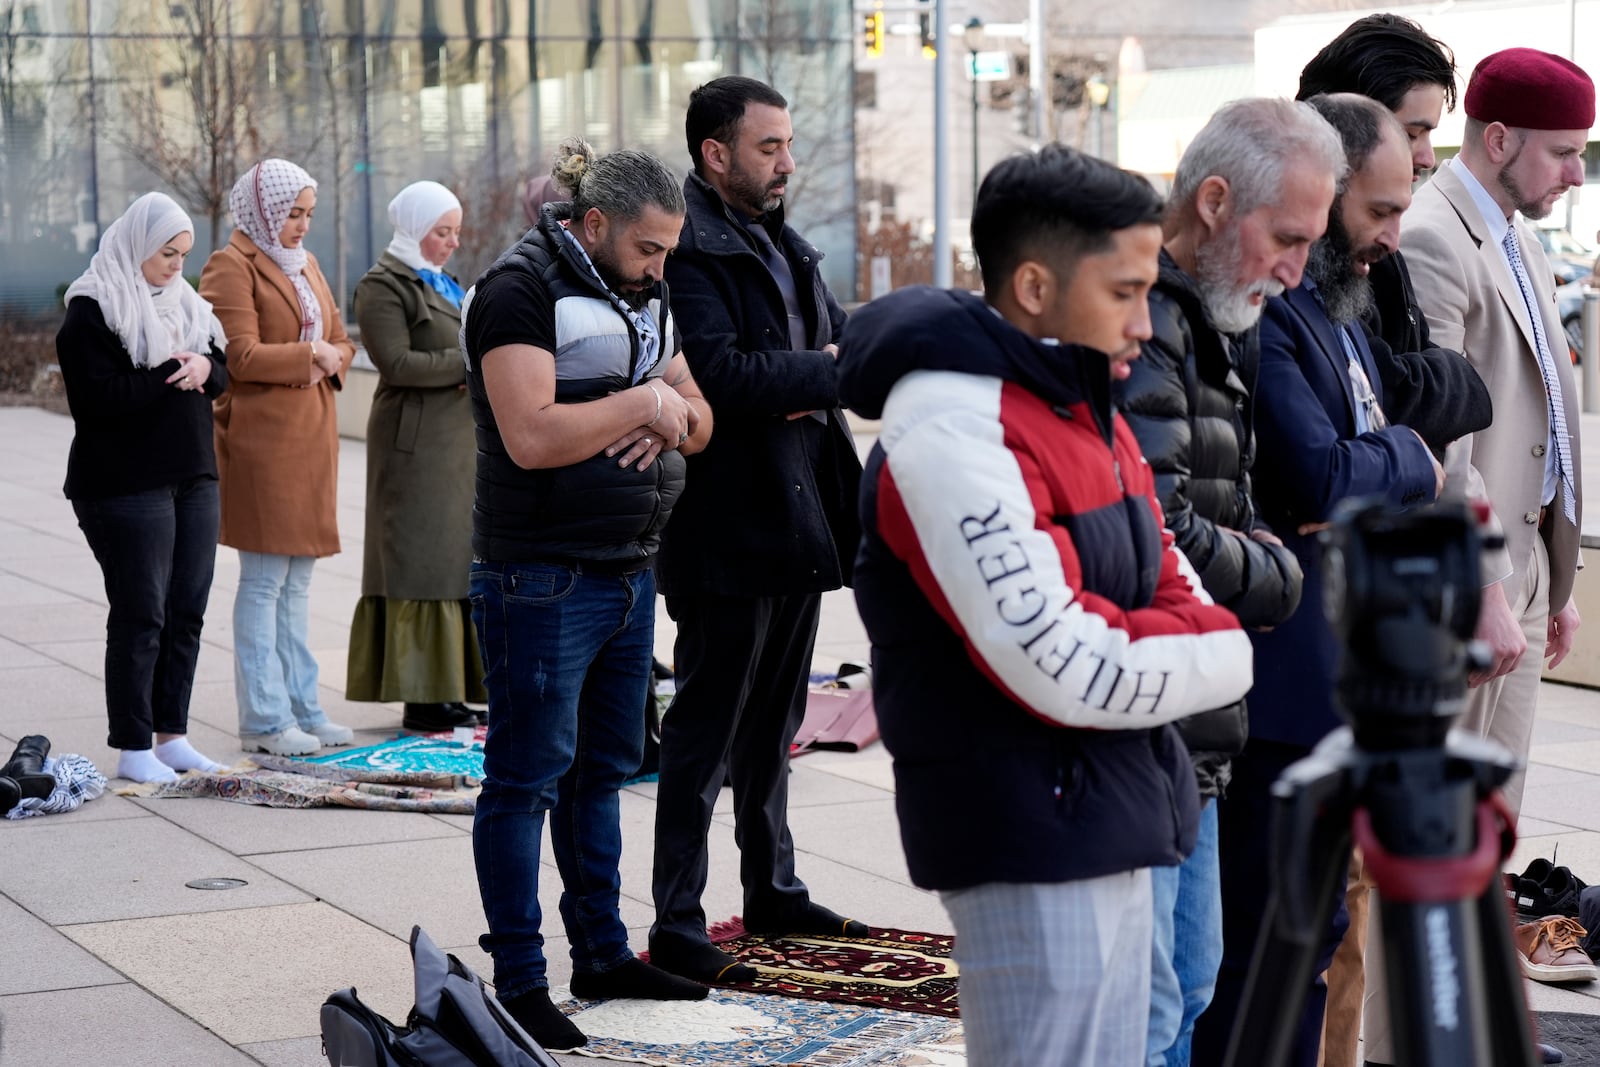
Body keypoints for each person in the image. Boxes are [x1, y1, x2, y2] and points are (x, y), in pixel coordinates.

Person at [837, 143, 1254, 1066]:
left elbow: (1169, 579)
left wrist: (1178, 636)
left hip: (1106, 803)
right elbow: (1064, 660)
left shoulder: (1082, 405)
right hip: (1024, 826)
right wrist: (1211, 652)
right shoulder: (953, 423)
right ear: (1034, 285)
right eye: (1124, 292)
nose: (1145, 325)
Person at [1191, 95, 1457, 1067]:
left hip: (1339, 680)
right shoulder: (1271, 308)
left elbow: (1385, 442)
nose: (1390, 235)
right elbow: (1320, 474)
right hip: (1275, 696)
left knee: (1315, 947)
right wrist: (1395, 458)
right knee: (1260, 960)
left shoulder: (1338, 306)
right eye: (1379, 210)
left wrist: (1385, 457)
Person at [460, 138, 715, 1051]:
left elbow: (702, 417)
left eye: (668, 252)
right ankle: (520, 980)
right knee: (525, 778)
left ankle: (601, 951)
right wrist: (647, 405)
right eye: (648, 249)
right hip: (539, 575)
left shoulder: (646, 292)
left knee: (602, 771)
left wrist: (665, 408)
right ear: (593, 223)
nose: (660, 266)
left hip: (627, 567)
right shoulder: (517, 289)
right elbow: (531, 434)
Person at [1367, 49, 1595, 1067]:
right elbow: (1438, 447)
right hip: (1462, 585)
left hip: (1520, 574)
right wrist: (1494, 587)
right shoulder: (1430, 237)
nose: (1575, 177)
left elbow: (1545, 414)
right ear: (1497, 139)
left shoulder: (1513, 236)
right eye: (1562, 154)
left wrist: (1557, 577)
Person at [1292, 20, 1501, 1067]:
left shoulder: (1370, 251)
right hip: (1307, 630)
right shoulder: (1306, 278)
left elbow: (1444, 385)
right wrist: (1403, 422)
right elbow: (1328, 452)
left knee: (1357, 908)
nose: (1424, 160)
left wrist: (1398, 417)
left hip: (1375, 600)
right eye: (1415, 134)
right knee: (1301, 923)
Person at [1115, 97, 1338, 1067]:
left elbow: (1224, 502)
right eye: (1286, 238)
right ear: (1214, 201)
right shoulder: (1146, 320)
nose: (1296, 269)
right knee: (1156, 1006)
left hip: (1193, 722)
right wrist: (1281, 570)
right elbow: (1156, 532)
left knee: (1190, 986)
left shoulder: (1216, 314)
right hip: (1145, 722)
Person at [648, 74, 866, 983]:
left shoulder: (784, 244)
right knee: (706, 731)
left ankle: (771, 887)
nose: (786, 161)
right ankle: (677, 919)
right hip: (727, 528)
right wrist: (817, 373)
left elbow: (834, 349)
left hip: (796, 514)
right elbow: (727, 380)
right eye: (769, 146)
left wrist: (821, 369)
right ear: (716, 153)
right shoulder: (690, 252)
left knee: (776, 726)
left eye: (787, 143)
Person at [56, 191, 231, 784]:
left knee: (187, 609)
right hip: (125, 485)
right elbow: (97, 401)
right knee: (141, 613)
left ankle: (171, 735)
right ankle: (133, 746)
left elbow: (221, 370)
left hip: (193, 477)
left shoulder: (187, 305)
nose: (176, 264)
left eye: (183, 253)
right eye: (165, 253)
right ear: (136, 244)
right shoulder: (94, 308)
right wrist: (167, 374)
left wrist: (206, 369)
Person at [200, 158, 357, 757]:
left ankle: (303, 706)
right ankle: (264, 719)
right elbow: (236, 355)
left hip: (311, 433)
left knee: (297, 585)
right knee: (265, 583)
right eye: (292, 214)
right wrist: (309, 356)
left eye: (308, 215)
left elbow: (342, 340)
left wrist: (325, 356)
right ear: (262, 210)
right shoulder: (229, 266)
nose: (301, 226)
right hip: (262, 440)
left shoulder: (307, 263)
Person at [344, 180, 485, 734]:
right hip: (414, 448)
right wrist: (465, 363)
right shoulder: (383, 286)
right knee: (419, 563)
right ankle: (420, 696)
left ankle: (448, 689)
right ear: (413, 229)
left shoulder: (443, 283)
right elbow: (397, 364)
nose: (451, 242)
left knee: (453, 563)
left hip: (454, 447)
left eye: (455, 232)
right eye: (440, 232)